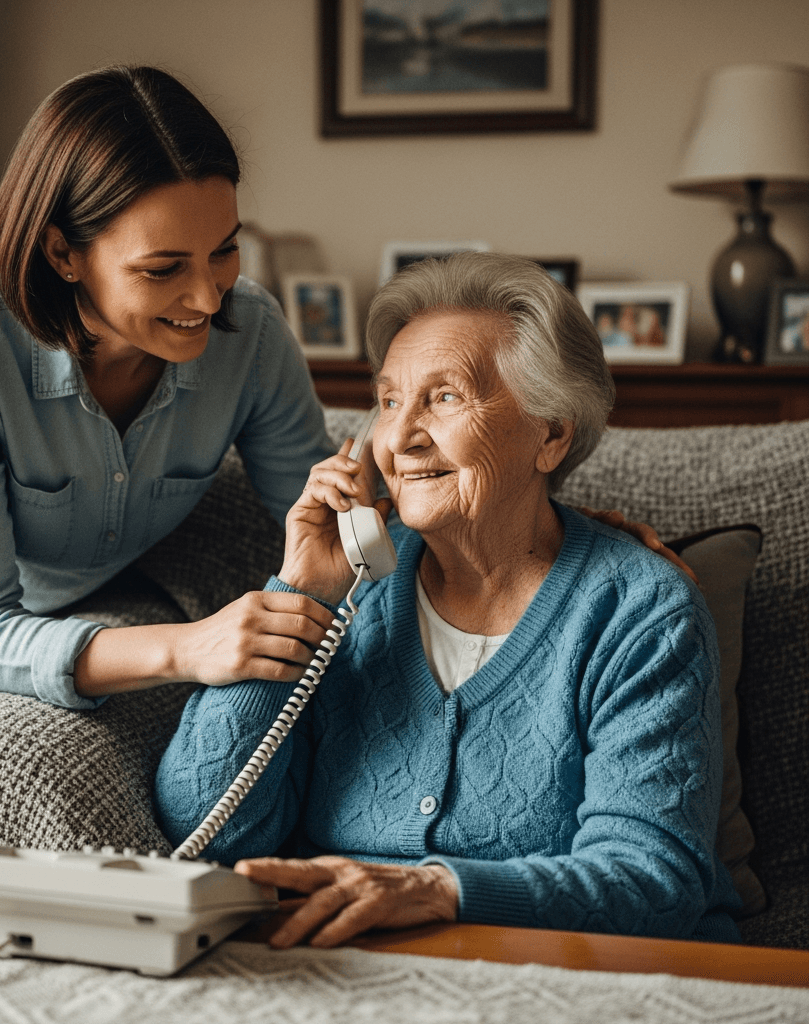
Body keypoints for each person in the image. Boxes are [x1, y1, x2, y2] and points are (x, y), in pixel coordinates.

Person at [0, 65, 338, 819]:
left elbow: (324, 524)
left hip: (56, 605)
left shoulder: (251, 334)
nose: (209, 296)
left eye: (224, 250)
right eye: (163, 268)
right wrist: (189, 647)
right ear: (62, 254)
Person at [155, 251, 742, 948]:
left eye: (445, 397)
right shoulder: (350, 589)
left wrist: (437, 890)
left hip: (568, 974)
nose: (399, 439)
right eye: (389, 401)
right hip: (341, 968)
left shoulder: (640, 611)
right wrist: (298, 594)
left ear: (551, 433)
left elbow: (653, 880)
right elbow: (203, 828)